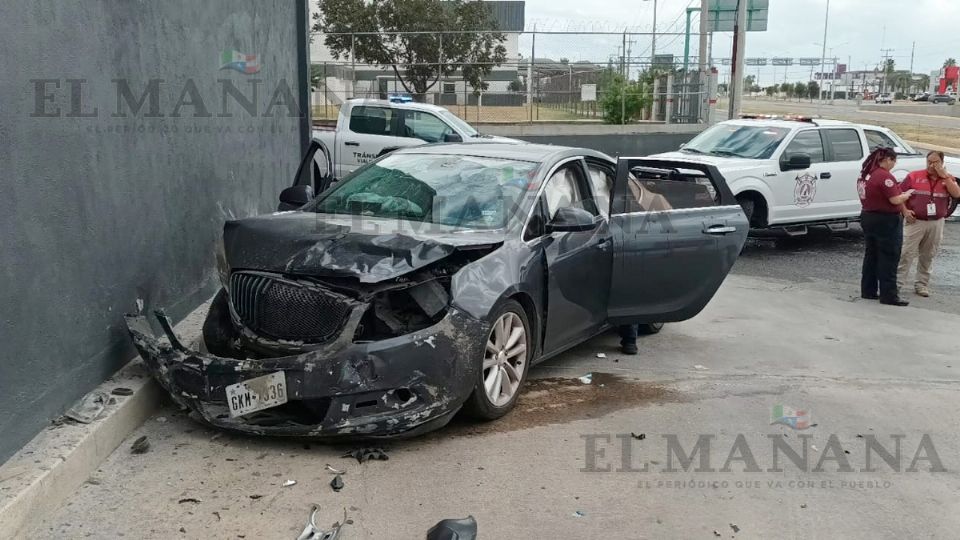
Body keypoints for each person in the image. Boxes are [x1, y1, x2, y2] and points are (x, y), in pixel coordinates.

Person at [896, 151, 960, 297]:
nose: (931, 165)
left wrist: (945, 177)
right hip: (915, 221)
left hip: (936, 223)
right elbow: (899, 195)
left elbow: (956, 194)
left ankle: (922, 285)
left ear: (942, 163)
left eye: (935, 162)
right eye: (929, 162)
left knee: (928, 254)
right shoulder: (914, 176)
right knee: (906, 253)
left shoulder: (948, 179)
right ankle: (897, 284)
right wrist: (905, 211)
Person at [857, 147, 915, 306]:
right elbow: (895, 200)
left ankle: (868, 290)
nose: (894, 165)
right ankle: (889, 295)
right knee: (889, 257)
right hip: (885, 219)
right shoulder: (884, 176)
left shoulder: (866, 175)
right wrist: (907, 194)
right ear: (888, 159)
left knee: (871, 255)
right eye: (893, 161)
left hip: (868, 216)